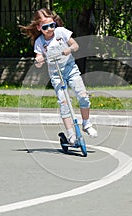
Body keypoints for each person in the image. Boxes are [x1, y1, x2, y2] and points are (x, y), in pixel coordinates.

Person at [20, 8, 97, 144]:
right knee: (64, 103)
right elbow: (39, 60)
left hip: (71, 70)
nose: (50, 29)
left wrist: (69, 49)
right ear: (38, 27)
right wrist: (38, 61)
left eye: (52, 25)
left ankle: (86, 124)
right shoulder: (39, 43)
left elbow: (75, 45)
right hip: (56, 75)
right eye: (45, 27)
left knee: (83, 95)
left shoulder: (61, 32)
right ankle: (70, 133)